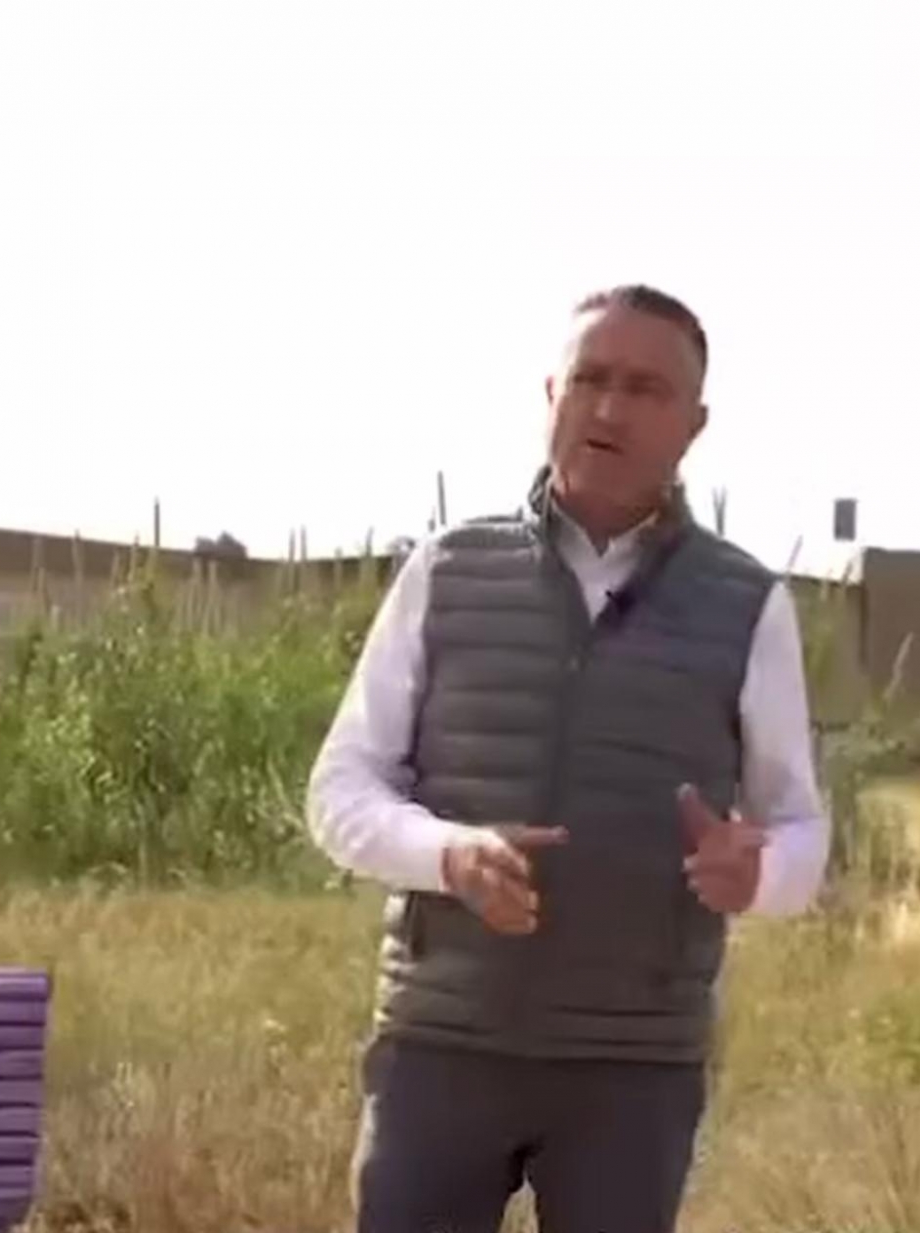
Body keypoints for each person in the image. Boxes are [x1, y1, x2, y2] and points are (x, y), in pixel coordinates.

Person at [307, 284, 831, 1233]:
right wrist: (449, 854)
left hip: (633, 1069)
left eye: (645, 387)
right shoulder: (447, 570)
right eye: (589, 378)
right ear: (550, 392)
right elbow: (341, 791)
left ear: (694, 424)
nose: (609, 407)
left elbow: (799, 829)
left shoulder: (749, 605)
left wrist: (758, 872)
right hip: (442, 1045)